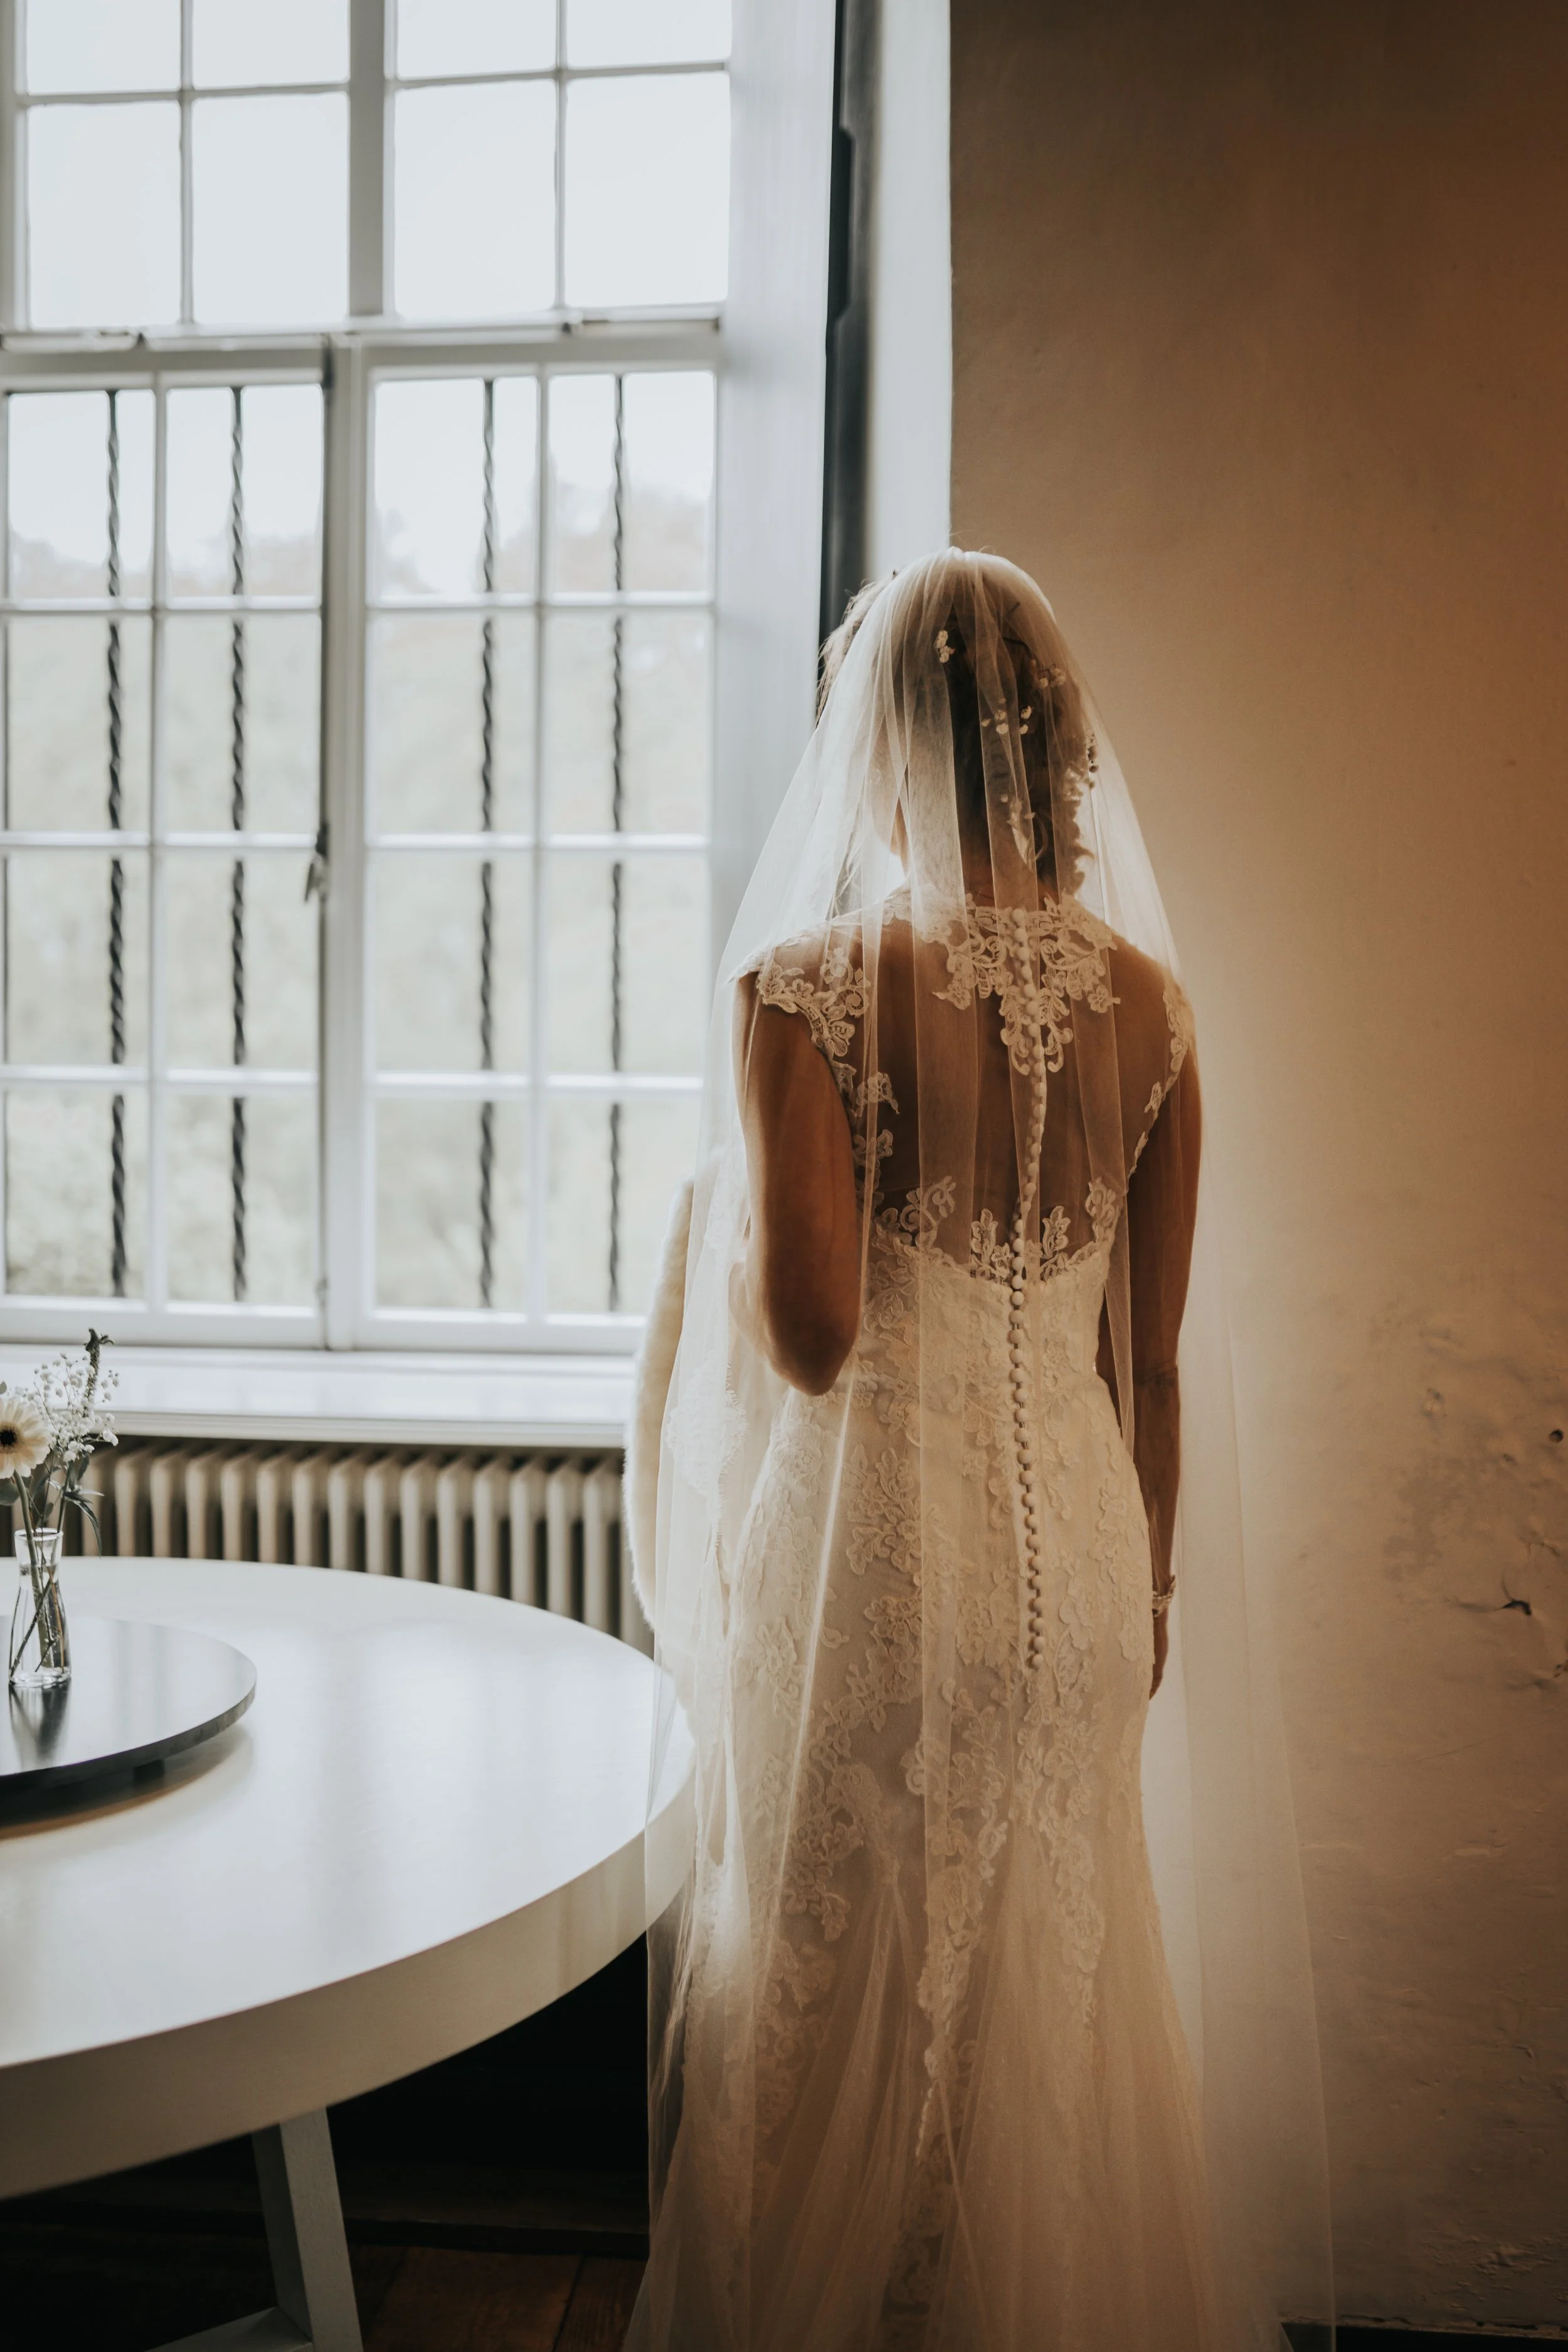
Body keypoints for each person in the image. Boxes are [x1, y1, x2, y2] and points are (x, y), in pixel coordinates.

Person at [627, 552, 1330, 2351]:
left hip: (877, 1570)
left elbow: (810, 1332)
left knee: (830, 1984)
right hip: (1085, 1569)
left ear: (881, 750)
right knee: (1056, 2004)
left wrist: (712, 1211)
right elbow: (1144, 1364)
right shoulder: (1153, 1011)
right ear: (1059, 747)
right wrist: (1149, 1586)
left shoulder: (808, 987)